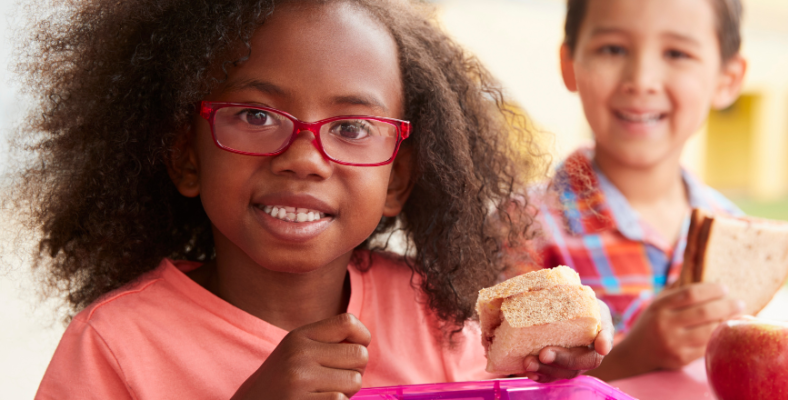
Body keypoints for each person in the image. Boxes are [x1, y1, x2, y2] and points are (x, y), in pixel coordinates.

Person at [18, 0, 612, 398]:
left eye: (352, 127)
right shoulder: (115, 344)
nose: (303, 157)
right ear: (187, 156)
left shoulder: (434, 318)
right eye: (255, 115)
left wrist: (547, 382)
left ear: (397, 181)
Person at [528, 0, 750, 381]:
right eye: (613, 48)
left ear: (726, 79)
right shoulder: (522, 228)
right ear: (570, 65)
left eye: (677, 53)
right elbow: (505, 384)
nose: (642, 79)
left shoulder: (738, 233)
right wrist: (633, 355)